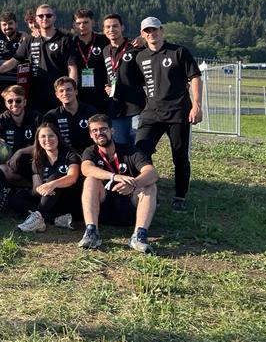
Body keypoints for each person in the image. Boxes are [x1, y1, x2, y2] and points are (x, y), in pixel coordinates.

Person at [134, 17, 202, 211]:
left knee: (179, 156)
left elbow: (195, 77)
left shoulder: (178, 52)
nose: (151, 34)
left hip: (178, 112)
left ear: (161, 30)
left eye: (154, 30)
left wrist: (197, 105)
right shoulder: (140, 57)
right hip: (152, 113)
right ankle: (147, 190)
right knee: (140, 151)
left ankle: (180, 196)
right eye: (147, 31)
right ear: (142, 34)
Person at [79, 114, 158, 252]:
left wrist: (134, 183)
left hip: (130, 208)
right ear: (91, 135)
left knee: (150, 185)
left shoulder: (130, 151)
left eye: (103, 129)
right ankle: (92, 232)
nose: (99, 133)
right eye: (95, 131)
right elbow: (86, 169)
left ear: (112, 131)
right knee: (90, 180)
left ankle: (139, 236)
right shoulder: (90, 151)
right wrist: (114, 177)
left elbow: (152, 173)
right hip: (104, 209)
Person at [0, 4, 72, 113]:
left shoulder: (65, 39)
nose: (44, 18)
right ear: (36, 19)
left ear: (54, 17)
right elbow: (14, 60)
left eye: (48, 15)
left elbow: (72, 68)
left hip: (58, 93)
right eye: (41, 16)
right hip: (36, 95)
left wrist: (71, 90)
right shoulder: (29, 40)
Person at [17, 122, 83, 233]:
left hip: (71, 199)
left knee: (54, 177)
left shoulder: (70, 155)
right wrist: (43, 189)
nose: (47, 139)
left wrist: (53, 184)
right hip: (50, 200)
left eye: (51, 135)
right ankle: (55, 219)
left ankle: (38, 217)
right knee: (17, 198)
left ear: (58, 137)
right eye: (43, 136)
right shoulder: (37, 160)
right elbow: (36, 187)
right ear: (38, 140)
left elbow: (73, 177)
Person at [0, 85, 41, 186]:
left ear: (25, 102)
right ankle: (30, 187)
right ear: (6, 104)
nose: (14, 104)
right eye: (10, 101)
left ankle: (38, 187)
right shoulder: (3, 120)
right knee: (2, 169)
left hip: (35, 162)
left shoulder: (36, 118)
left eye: (18, 101)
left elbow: (43, 145)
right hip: (14, 166)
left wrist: (20, 152)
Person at [102, 14, 145, 146]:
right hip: (115, 110)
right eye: (108, 27)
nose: (111, 29)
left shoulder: (135, 47)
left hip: (136, 108)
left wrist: (144, 40)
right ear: (103, 30)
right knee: (120, 151)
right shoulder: (105, 50)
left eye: (115, 26)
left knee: (140, 150)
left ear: (122, 28)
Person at [68, 8, 110, 111]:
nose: (82, 26)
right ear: (74, 25)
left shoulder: (104, 40)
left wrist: (141, 40)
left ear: (93, 23)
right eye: (79, 23)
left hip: (103, 93)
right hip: (81, 95)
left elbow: (123, 43)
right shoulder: (70, 43)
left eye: (86, 22)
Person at [43, 76, 97, 153]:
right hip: (65, 157)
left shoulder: (90, 111)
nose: (65, 93)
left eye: (69, 90)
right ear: (57, 95)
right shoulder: (51, 116)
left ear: (76, 91)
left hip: (89, 155)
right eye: (61, 91)